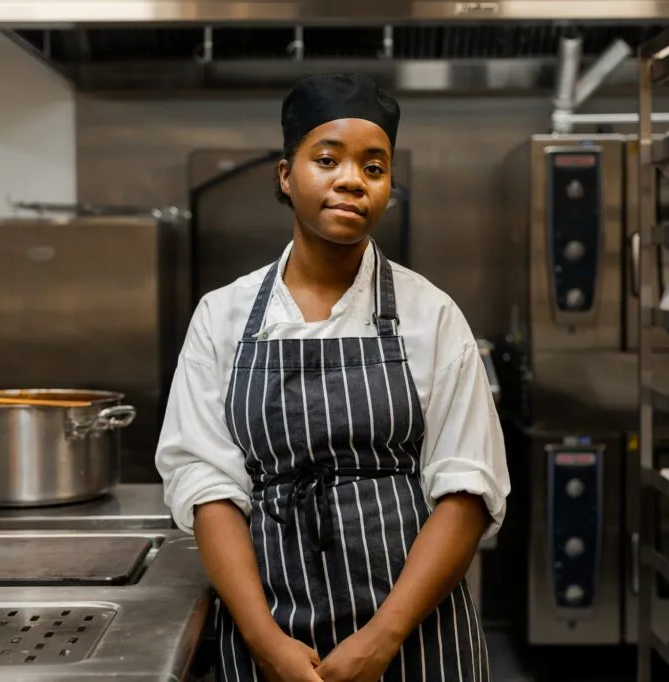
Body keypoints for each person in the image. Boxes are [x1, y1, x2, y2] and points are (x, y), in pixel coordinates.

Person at [156, 73, 510, 682]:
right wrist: (266, 641)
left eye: (375, 168)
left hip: (417, 639)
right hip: (271, 630)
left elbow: (468, 490)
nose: (352, 179)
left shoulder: (432, 315)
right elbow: (206, 484)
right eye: (327, 159)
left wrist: (381, 640)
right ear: (286, 176)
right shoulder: (224, 315)